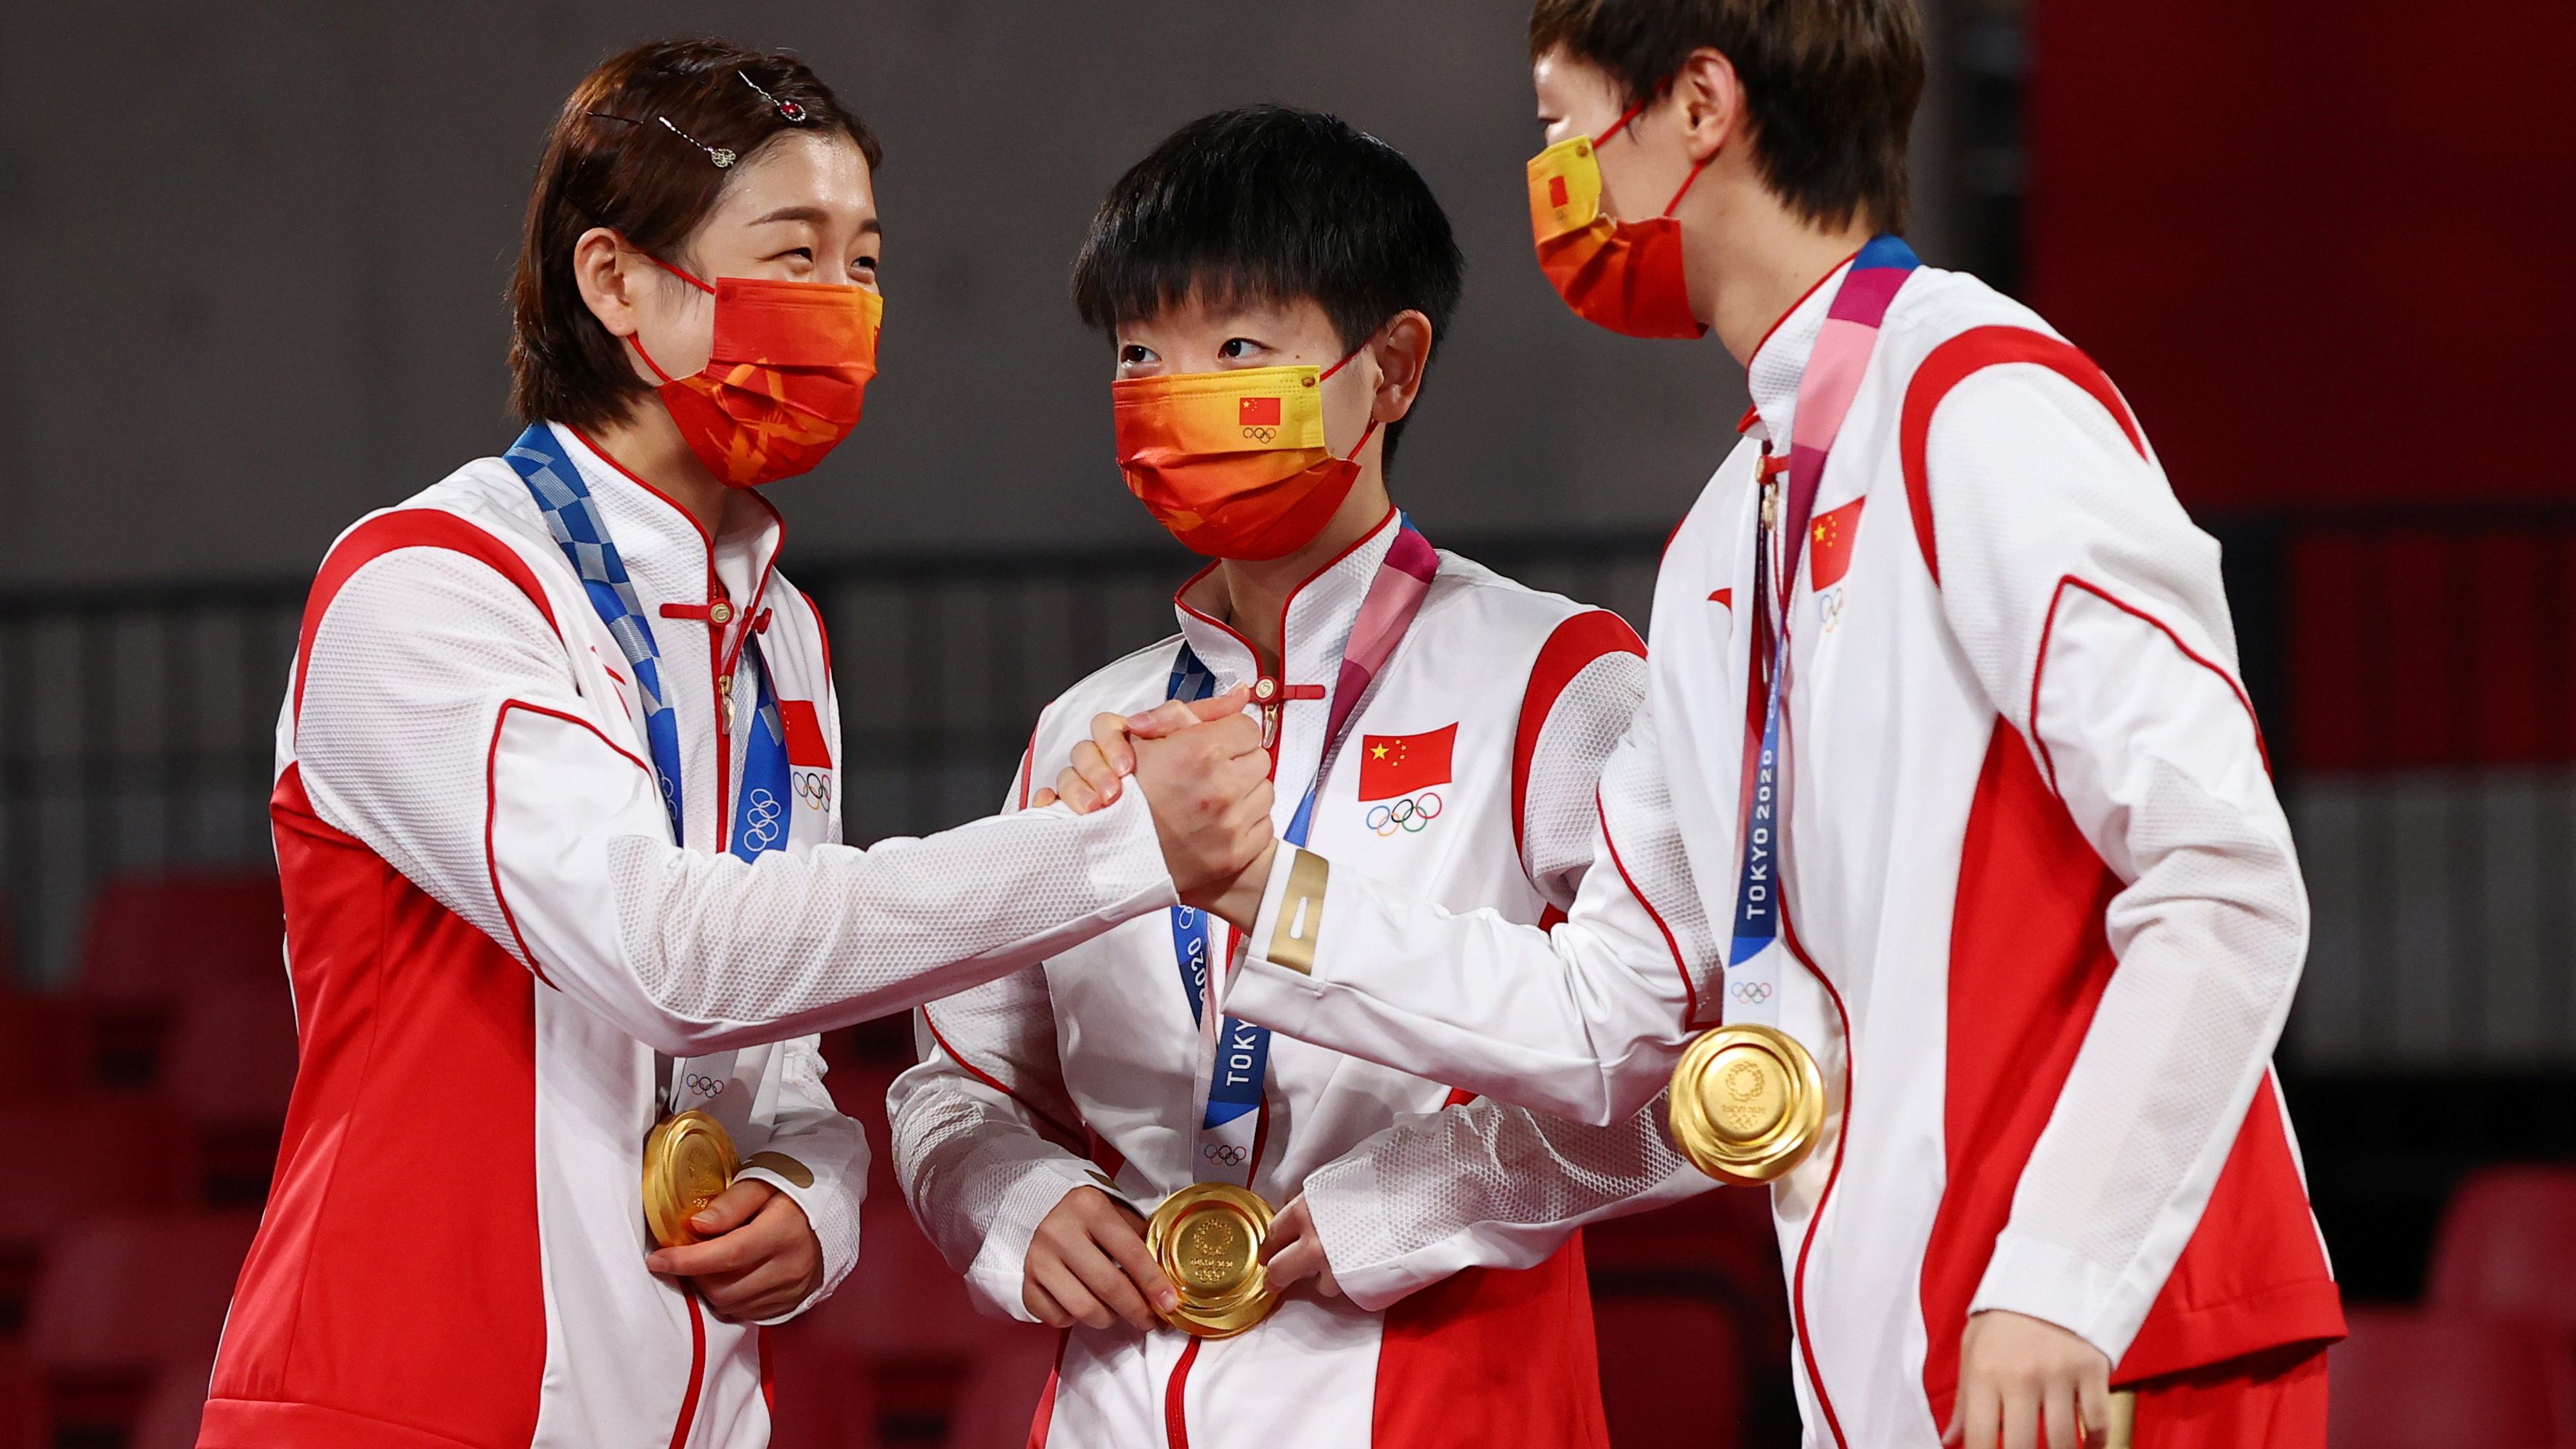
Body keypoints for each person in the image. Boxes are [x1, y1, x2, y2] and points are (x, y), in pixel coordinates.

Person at [1059, 4, 2344, 1448]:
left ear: (1698, 103)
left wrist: (2060, 1280)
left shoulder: (1977, 400)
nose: (1549, 178)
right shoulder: (1730, 532)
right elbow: (1610, 1014)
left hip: (2093, 1337)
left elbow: (2219, 880)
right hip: (1894, 1331)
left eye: (1560, 127)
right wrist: (1245, 878)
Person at [202, 38, 1264, 1449]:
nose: (840, 304)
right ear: (614, 280)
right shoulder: (430, 585)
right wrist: (1118, 846)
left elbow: (777, 1062)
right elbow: (672, 957)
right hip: (406, 1397)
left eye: (865, 262)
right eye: (792, 254)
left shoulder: (778, 633)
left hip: (693, 1403)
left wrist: (814, 1197)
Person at [891, 106, 1705, 1449]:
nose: (1174, 389)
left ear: (1390, 368)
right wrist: (1008, 1200)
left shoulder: (1556, 679)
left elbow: (1690, 1074)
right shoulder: (1085, 726)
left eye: (1240, 349)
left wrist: (1432, 1195)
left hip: (1442, 1393)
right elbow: (954, 1077)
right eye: (1142, 352)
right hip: (1115, 1402)